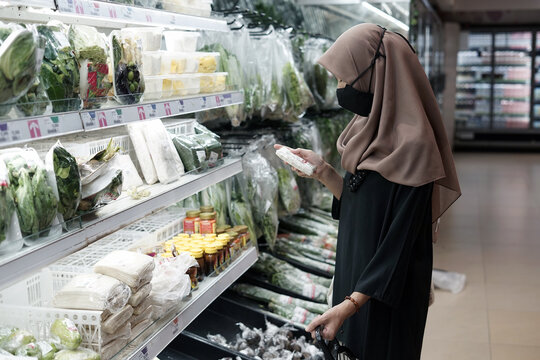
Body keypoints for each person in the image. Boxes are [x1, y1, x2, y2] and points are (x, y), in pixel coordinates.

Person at [275, 23, 461, 359]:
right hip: (358, 278)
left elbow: (399, 242)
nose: (340, 86)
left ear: (379, 74)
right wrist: (324, 171)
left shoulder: (414, 145)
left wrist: (351, 304)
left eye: (345, 77)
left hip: (388, 290)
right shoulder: (366, 128)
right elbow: (362, 206)